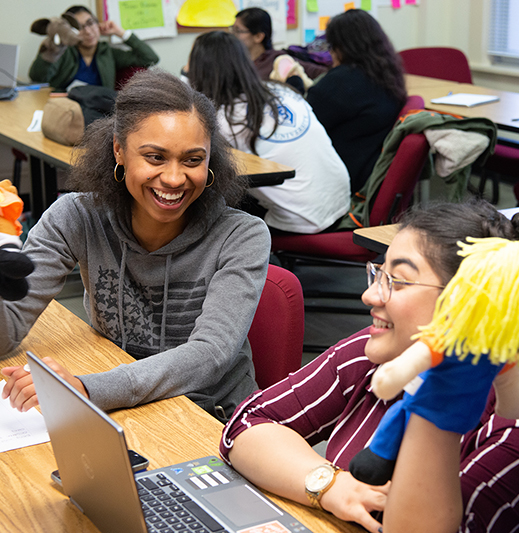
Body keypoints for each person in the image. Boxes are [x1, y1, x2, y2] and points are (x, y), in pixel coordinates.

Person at [219, 199, 519, 533]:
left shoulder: (507, 428)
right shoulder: (378, 350)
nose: (371, 295)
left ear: (470, 302)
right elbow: (246, 424)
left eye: (399, 280)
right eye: (379, 274)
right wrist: (331, 486)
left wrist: (440, 396)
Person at [0, 69, 271, 423]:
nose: (174, 178)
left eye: (193, 160)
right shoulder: (77, 217)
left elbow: (210, 355)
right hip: (123, 406)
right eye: (155, 157)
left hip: (213, 417)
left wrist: (88, 389)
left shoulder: (242, 235)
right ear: (119, 150)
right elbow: (10, 331)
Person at [188, 31, 351, 234]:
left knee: (209, 194)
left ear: (198, 71)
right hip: (341, 205)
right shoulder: (281, 91)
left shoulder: (224, 118)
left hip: (302, 219)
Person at [306, 9, 407, 193]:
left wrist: (293, 84)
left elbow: (304, 125)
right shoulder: (387, 74)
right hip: (365, 170)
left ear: (341, 47)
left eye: (332, 46)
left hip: (334, 181)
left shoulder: (342, 81)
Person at [29, 5, 159, 91]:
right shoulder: (63, 51)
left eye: (90, 23)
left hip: (98, 113)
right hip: (65, 110)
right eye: (80, 27)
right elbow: (37, 77)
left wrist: (120, 32)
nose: (88, 31)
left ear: (97, 24)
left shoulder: (108, 52)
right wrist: (53, 50)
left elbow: (150, 58)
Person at [231, 7, 328, 83]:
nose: (232, 34)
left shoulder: (279, 60)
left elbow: (323, 73)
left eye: (238, 31)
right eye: (232, 29)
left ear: (258, 36)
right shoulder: (236, 60)